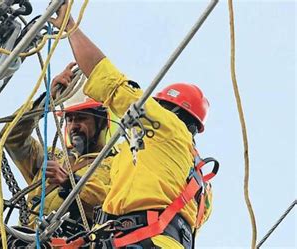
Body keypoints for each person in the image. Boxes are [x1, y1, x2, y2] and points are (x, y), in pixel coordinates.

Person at [49, 4, 218, 249]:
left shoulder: (167, 127)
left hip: (142, 241)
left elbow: (110, 82)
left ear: (169, 110)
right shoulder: (201, 184)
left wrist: (72, 29)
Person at [0, 63, 114, 233]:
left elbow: (114, 206)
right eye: (70, 119)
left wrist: (71, 182)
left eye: (81, 118)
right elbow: (11, 138)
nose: (74, 126)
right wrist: (48, 99)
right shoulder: (53, 157)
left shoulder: (118, 162)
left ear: (103, 122)